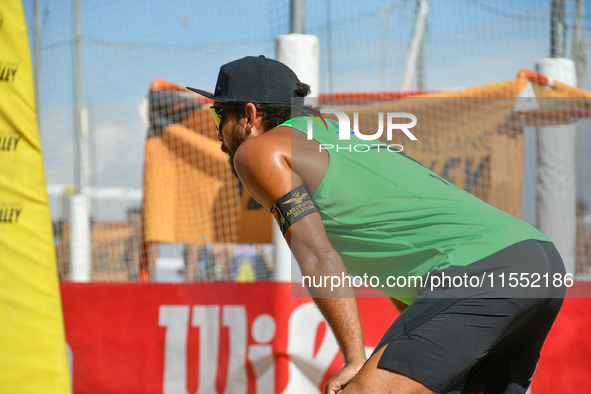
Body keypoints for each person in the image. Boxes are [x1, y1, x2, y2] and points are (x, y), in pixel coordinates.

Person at [187, 55, 566, 394]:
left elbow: (317, 256)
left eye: (220, 116)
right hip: (538, 261)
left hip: (479, 270)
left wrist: (356, 359)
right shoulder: (338, 133)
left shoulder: (258, 151)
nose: (218, 132)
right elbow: (404, 249)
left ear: (250, 115)